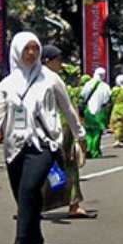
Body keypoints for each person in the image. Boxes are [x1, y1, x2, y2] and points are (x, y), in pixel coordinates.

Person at [0, 32, 86, 244]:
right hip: (15, 147)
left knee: (28, 189)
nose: (31, 53)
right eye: (26, 49)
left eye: (34, 49)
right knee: (22, 194)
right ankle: (35, 239)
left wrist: (80, 136)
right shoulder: (8, 83)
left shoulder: (49, 79)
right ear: (17, 51)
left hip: (44, 144)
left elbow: (67, 109)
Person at [40, 45, 94, 220]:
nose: (60, 63)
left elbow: (70, 104)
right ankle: (30, 206)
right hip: (48, 127)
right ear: (47, 61)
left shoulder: (60, 78)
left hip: (62, 126)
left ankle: (74, 204)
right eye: (57, 60)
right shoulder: (39, 77)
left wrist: (78, 130)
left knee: (66, 165)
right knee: (42, 167)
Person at [81, 67, 111, 158]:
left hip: (88, 110)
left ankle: (88, 149)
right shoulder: (105, 86)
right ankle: (95, 151)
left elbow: (82, 95)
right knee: (97, 133)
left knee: (88, 131)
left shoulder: (88, 84)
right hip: (99, 112)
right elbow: (107, 99)